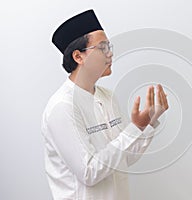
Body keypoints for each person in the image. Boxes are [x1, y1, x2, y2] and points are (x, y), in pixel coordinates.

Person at [41, 9, 169, 200]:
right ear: (78, 57)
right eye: (102, 48)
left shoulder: (107, 97)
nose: (110, 54)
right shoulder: (62, 106)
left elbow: (124, 158)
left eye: (109, 46)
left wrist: (146, 125)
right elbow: (89, 173)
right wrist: (133, 130)